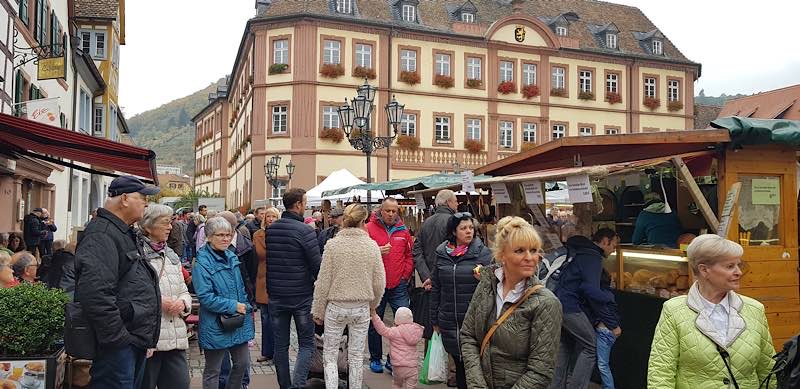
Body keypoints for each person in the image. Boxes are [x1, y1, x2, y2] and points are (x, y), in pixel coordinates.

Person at [648, 234, 775, 387]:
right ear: (704, 270)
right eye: (730, 266)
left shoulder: (755, 309)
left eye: (738, 265)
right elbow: (661, 372)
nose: (738, 272)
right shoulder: (674, 311)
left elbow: (769, 371)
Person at [74, 175, 161, 389]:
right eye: (142, 198)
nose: (146, 203)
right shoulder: (102, 234)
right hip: (118, 346)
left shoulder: (120, 231)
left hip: (130, 341)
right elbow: (95, 296)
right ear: (124, 199)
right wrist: (119, 340)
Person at [460, 216, 562, 389]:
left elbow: (540, 371)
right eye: (520, 250)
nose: (530, 257)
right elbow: (468, 335)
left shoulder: (546, 303)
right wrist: (477, 385)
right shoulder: (487, 286)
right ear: (502, 255)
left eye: (534, 250)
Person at [311, 203, 386, 389]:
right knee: (356, 356)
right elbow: (379, 282)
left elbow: (323, 281)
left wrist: (318, 310)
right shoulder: (371, 246)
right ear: (363, 221)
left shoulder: (333, 245)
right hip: (361, 306)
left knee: (330, 356)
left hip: (336, 306)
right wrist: (373, 304)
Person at [266, 188, 322, 389]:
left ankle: (285, 385)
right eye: (305, 202)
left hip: (277, 294)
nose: (306, 206)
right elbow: (317, 266)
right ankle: (297, 385)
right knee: (306, 343)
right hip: (301, 295)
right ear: (298, 204)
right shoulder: (306, 231)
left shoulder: (271, 230)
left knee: (280, 345)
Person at [549, 229, 619, 389]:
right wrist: (609, 297)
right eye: (614, 244)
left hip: (557, 302)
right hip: (570, 307)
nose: (614, 249)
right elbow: (590, 289)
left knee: (564, 347)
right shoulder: (593, 257)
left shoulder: (580, 251)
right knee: (590, 346)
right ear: (605, 241)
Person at [431, 212, 492, 389]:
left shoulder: (483, 254)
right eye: (463, 228)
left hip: (473, 321)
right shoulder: (442, 254)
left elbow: (494, 285)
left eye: (471, 228)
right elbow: (437, 287)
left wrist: (485, 277)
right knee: (458, 364)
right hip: (449, 318)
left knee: (473, 366)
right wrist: (434, 319)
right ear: (454, 232)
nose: (468, 232)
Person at [194, 217, 255, 389]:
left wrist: (244, 305)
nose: (226, 238)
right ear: (209, 237)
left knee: (242, 363)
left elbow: (241, 287)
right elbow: (205, 297)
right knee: (214, 370)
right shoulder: (202, 262)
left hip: (237, 320)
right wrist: (233, 306)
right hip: (216, 323)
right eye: (220, 235)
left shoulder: (232, 256)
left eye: (228, 234)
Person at [139, 204, 192, 389]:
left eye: (170, 222)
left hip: (175, 339)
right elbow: (131, 295)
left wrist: (184, 303)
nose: (170, 227)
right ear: (148, 226)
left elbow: (184, 291)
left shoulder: (171, 256)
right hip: (150, 340)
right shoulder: (137, 255)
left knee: (180, 383)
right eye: (165, 223)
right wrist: (158, 301)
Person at [366, 197, 414, 373]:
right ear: (381, 210)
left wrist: (405, 274)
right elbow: (362, 254)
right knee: (374, 322)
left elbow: (409, 255)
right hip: (376, 284)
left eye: (394, 211)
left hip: (398, 284)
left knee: (402, 322)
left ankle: (393, 359)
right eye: (388, 210)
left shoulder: (403, 231)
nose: (391, 214)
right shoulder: (369, 229)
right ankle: (375, 358)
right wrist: (376, 251)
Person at [252, 206, 279, 364]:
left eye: (273, 217)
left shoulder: (283, 234)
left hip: (278, 279)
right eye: (268, 216)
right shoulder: (258, 235)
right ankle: (266, 352)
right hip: (262, 279)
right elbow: (261, 254)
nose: (270, 219)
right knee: (265, 318)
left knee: (277, 319)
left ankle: (278, 352)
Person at [371, 307, 424, 389]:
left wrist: (374, 316)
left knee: (397, 385)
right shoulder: (415, 331)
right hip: (412, 367)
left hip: (397, 367)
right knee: (411, 386)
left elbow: (382, 330)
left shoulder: (395, 331)